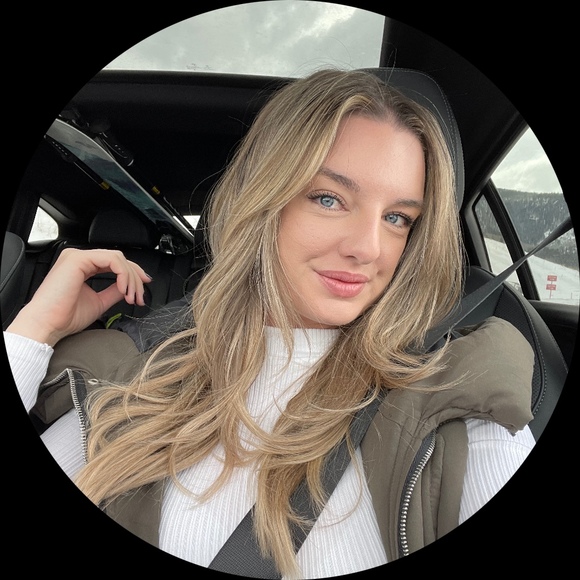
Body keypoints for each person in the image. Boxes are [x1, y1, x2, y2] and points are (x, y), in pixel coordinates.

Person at [5, 69, 535, 578]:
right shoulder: (140, 374)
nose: (369, 248)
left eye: (397, 218)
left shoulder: (456, 403)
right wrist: (33, 333)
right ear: (261, 201)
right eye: (329, 199)